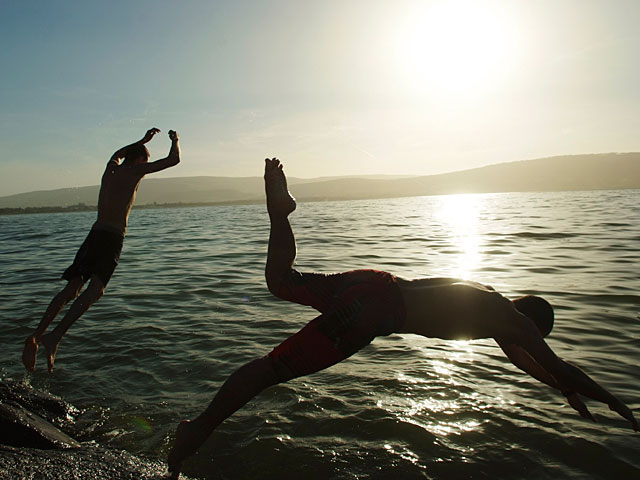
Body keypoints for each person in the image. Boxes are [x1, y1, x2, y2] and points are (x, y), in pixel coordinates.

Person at [167, 158, 637, 477]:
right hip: (370, 312)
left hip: (372, 281)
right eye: (535, 334)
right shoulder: (513, 323)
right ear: (532, 322)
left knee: (280, 280)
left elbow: (528, 363)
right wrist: (613, 399)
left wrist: (566, 391)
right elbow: (551, 362)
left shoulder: (493, 302)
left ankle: (280, 214)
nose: (531, 340)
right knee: (273, 369)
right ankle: (199, 430)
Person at [22, 128, 181, 373]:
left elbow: (116, 153)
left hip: (94, 234)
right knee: (95, 291)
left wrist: (141, 141)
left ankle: (36, 335)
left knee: (72, 288)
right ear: (140, 160)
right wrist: (175, 140)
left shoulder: (111, 169)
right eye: (144, 161)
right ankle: (55, 337)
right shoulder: (134, 170)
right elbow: (173, 160)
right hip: (112, 237)